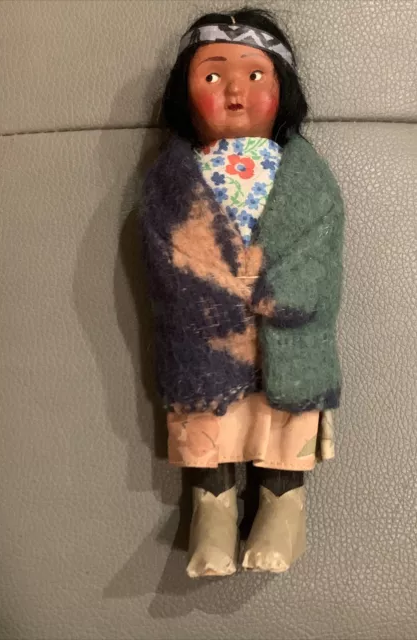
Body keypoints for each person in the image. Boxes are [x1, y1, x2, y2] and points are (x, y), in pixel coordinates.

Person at [140, 7, 345, 577]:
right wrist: (212, 289)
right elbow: (163, 249)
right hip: (205, 333)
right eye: (212, 76)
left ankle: (284, 505)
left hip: (289, 332)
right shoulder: (171, 180)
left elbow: (320, 247)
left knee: (286, 417)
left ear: (284, 91)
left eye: (255, 75)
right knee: (208, 418)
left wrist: (276, 287)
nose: (234, 92)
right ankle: (212, 507)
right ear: (184, 95)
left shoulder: (307, 177)